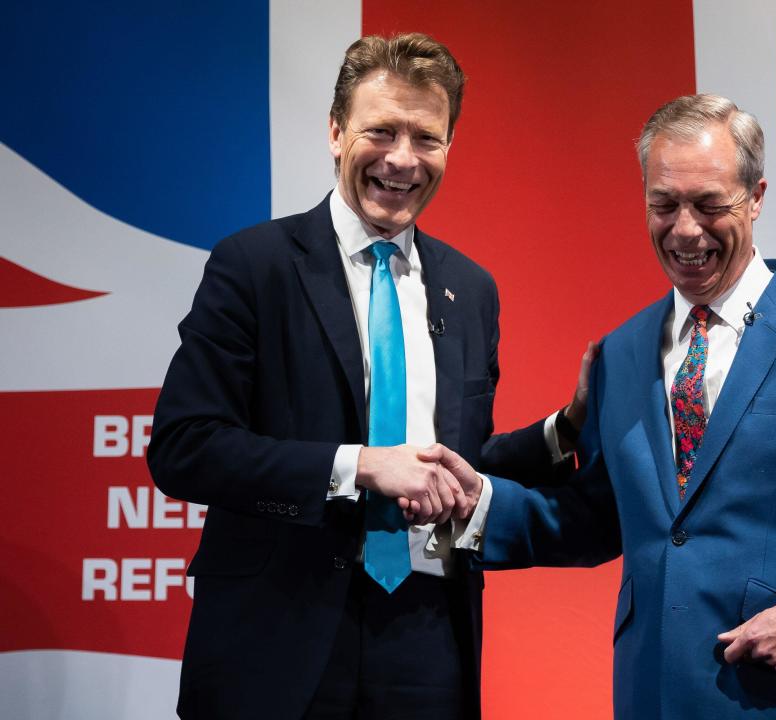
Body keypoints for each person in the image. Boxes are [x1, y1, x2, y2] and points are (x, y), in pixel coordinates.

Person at [428, 94, 776, 719]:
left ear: (757, 197)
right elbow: (602, 516)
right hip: (652, 694)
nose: (685, 229)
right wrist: (482, 509)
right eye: (663, 204)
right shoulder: (622, 351)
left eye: (710, 204)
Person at [148, 33, 577, 720]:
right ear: (335, 131)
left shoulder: (471, 289)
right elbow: (185, 447)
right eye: (381, 130)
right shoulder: (255, 266)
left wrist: (567, 429)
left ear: (449, 147)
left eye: (426, 137)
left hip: (429, 638)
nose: (402, 159)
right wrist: (359, 467)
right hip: (277, 634)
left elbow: (454, 466)